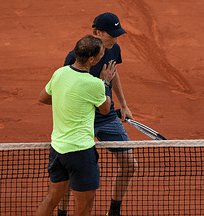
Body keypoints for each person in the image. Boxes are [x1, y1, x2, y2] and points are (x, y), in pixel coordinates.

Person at [57, 12, 138, 216]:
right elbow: (66, 85)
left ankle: (114, 211)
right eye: (111, 34)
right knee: (71, 173)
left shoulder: (114, 49)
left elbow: (114, 73)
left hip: (108, 116)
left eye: (117, 34)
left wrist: (124, 105)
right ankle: (62, 213)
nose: (115, 39)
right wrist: (101, 83)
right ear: (98, 33)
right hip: (83, 119)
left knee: (129, 164)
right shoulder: (74, 56)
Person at [36, 35, 116, 216]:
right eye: (101, 54)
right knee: (83, 209)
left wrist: (66, 102)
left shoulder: (60, 73)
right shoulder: (94, 84)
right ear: (91, 59)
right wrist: (105, 82)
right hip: (80, 153)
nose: (103, 56)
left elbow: (43, 97)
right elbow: (105, 109)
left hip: (57, 150)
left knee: (51, 199)